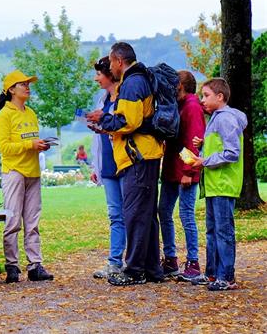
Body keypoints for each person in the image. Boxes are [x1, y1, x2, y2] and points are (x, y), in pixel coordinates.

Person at [88, 42, 165, 286]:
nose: (110, 67)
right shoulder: (139, 80)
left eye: (110, 63)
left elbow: (128, 121)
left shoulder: (132, 83)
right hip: (145, 155)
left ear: (119, 61)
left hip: (137, 157)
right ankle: (152, 269)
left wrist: (105, 118)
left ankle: (134, 270)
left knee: (135, 215)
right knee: (146, 215)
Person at [0, 69, 54, 283]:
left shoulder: (31, 113)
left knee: (32, 221)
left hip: (33, 171)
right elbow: (4, 148)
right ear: (11, 89)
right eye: (23, 84)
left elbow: (29, 143)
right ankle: (12, 266)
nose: (28, 87)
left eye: (28, 84)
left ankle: (35, 265)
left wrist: (40, 146)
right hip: (14, 172)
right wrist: (30, 144)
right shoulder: (5, 115)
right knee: (12, 221)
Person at [190, 78, 247, 291]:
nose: (202, 100)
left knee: (223, 231)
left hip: (224, 184)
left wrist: (204, 160)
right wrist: (204, 145)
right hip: (214, 184)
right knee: (212, 231)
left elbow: (232, 152)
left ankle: (226, 276)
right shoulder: (215, 118)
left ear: (220, 97)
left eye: (206, 95)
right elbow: (220, 144)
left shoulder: (226, 119)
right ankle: (212, 274)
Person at [158, 70, 205, 281]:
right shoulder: (178, 106)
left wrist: (189, 171)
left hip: (183, 171)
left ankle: (193, 262)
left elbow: (193, 140)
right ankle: (170, 258)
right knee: (164, 211)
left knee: (186, 214)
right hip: (171, 169)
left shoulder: (192, 107)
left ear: (180, 86)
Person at [88, 56, 126, 279]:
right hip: (108, 166)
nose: (96, 79)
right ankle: (114, 261)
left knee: (128, 214)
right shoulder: (102, 101)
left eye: (99, 74)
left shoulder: (122, 100)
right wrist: (96, 165)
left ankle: (132, 259)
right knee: (115, 214)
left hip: (123, 163)